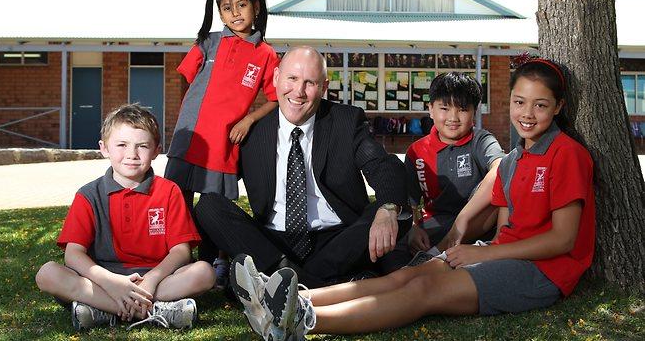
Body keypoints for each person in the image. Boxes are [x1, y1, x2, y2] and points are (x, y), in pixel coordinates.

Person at [231, 57, 596, 339]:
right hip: (500, 253)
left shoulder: (567, 153)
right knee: (407, 275)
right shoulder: (517, 158)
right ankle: (289, 299)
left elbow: (562, 239)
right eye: (519, 102)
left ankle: (303, 321)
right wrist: (463, 238)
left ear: (558, 107)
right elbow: (492, 206)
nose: (526, 114)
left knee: (424, 288)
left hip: (544, 272)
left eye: (540, 106)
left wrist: (483, 252)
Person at [195, 46, 411, 293]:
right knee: (208, 205)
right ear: (277, 78)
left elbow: (384, 166)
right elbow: (217, 185)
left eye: (310, 83)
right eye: (292, 78)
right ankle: (324, 284)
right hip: (273, 244)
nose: (298, 91)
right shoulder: (252, 133)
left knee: (399, 215)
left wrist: (387, 209)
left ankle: (280, 285)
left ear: (324, 87)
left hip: (337, 239)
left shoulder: (346, 121)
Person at [35, 104, 215, 331]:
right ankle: (157, 310)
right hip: (102, 279)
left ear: (156, 150)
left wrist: (150, 281)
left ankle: (102, 310)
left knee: (204, 273)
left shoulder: (169, 191)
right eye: (122, 145)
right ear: (104, 148)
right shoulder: (88, 195)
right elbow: (73, 255)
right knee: (48, 274)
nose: (132, 154)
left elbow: (181, 251)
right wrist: (112, 283)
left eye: (142, 146)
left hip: (158, 279)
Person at [164, 0, 279, 285]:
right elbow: (187, 79)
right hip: (189, 138)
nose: (235, 14)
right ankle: (176, 264)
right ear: (219, 13)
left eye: (241, 5)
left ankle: (214, 264)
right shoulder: (209, 42)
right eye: (226, 9)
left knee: (213, 207)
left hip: (223, 143)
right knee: (177, 202)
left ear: (255, 7)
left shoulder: (266, 54)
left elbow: (275, 98)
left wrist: (248, 120)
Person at [405, 72, 505, 263]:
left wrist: (463, 219)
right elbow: (409, 200)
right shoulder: (416, 151)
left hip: (479, 221)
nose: (453, 117)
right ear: (431, 109)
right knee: (396, 243)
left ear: (474, 112)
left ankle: (435, 256)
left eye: (462, 109)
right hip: (436, 223)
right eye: (444, 108)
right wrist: (412, 227)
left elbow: (500, 168)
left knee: (498, 180)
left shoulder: (481, 140)